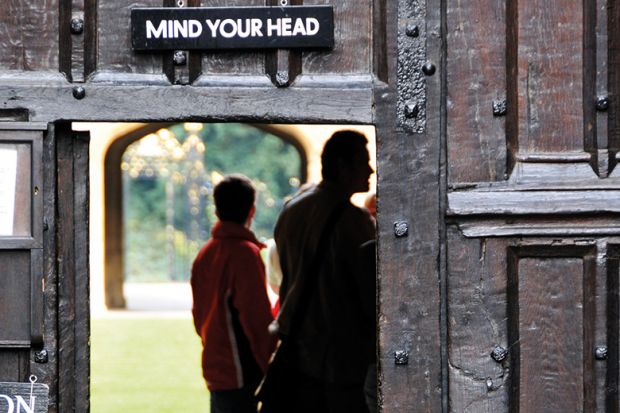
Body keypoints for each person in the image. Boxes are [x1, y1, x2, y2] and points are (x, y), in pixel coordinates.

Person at [273, 130, 376, 413]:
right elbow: (370, 294)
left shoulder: (291, 210)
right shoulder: (354, 221)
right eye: (363, 161)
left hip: (297, 350)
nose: (371, 168)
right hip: (338, 357)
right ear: (343, 167)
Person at [190, 174, 277, 413]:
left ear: (216, 211)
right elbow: (256, 320)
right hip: (242, 372)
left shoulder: (205, 254)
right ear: (252, 210)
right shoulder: (244, 254)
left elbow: (198, 317)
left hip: (216, 366)